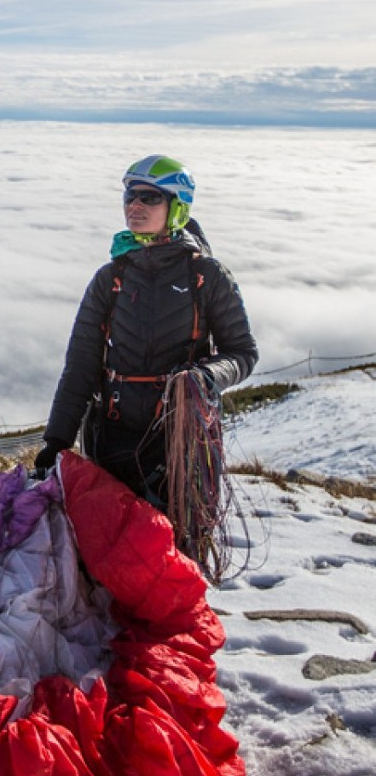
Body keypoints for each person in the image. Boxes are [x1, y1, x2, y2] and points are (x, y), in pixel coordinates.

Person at [34, 154, 258, 514]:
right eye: (130, 197)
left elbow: (243, 353)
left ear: (177, 208)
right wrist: (56, 441)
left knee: (177, 549)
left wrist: (204, 377)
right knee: (111, 552)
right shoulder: (110, 279)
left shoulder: (207, 276)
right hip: (111, 441)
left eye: (150, 197)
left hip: (181, 445)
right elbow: (81, 365)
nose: (135, 205)